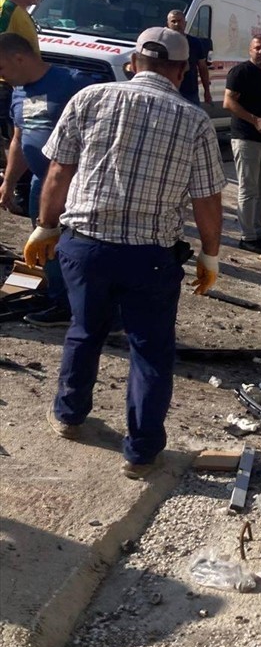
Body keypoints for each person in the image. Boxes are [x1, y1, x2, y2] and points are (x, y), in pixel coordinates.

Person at [24, 27, 224, 480]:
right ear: (181, 71)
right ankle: (141, 454)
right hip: (149, 257)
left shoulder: (90, 98)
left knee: (84, 331)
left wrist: (45, 226)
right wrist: (210, 255)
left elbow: (58, 172)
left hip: (85, 246)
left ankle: (69, 416)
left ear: (133, 63)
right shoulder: (194, 121)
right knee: (150, 351)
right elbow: (207, 200)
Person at [0, 33, 98, 326]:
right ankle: (58, 301)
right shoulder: (19, 91)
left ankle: (84, 304)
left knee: (76, 246)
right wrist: (8, 182)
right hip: (39, 183)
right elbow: (19, 139)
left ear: (19, 58)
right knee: (44, 242)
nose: (1, 77)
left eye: (1, 68)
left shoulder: (73, 83)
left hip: (75, 184)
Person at [223, 33, 261, 254]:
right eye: (257, 48)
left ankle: (259, 233)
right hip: (247, 138)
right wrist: (255, 120)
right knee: (248, 189)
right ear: (250, 50)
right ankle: (247, 236)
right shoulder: (241, 72)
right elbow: (228, 102)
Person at [0, 0, 43, 149]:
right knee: (13, 142)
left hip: (25, 88)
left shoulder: (20, 11)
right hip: (7, 89)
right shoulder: (6, 10)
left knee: (25, 139)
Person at [166, 10, 213, 107]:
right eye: (173, 21)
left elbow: (202, 68)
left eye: (180, 21)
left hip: (190, 92)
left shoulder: (195, 43)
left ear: (185, 23)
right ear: (168, 24)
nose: (177, 24)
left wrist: (207, 91)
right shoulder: (163, 42)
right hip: (168, 91)